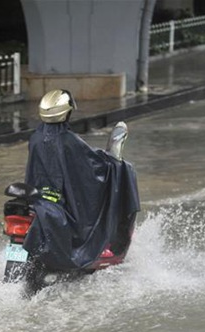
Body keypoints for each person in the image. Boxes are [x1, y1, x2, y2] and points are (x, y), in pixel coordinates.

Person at [22, 89, 140, 272]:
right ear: (66, 113)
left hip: (40, 198)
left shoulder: (35, 138)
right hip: (62, 204)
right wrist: (115, 164)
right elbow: (94, 168)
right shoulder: (69, 140)